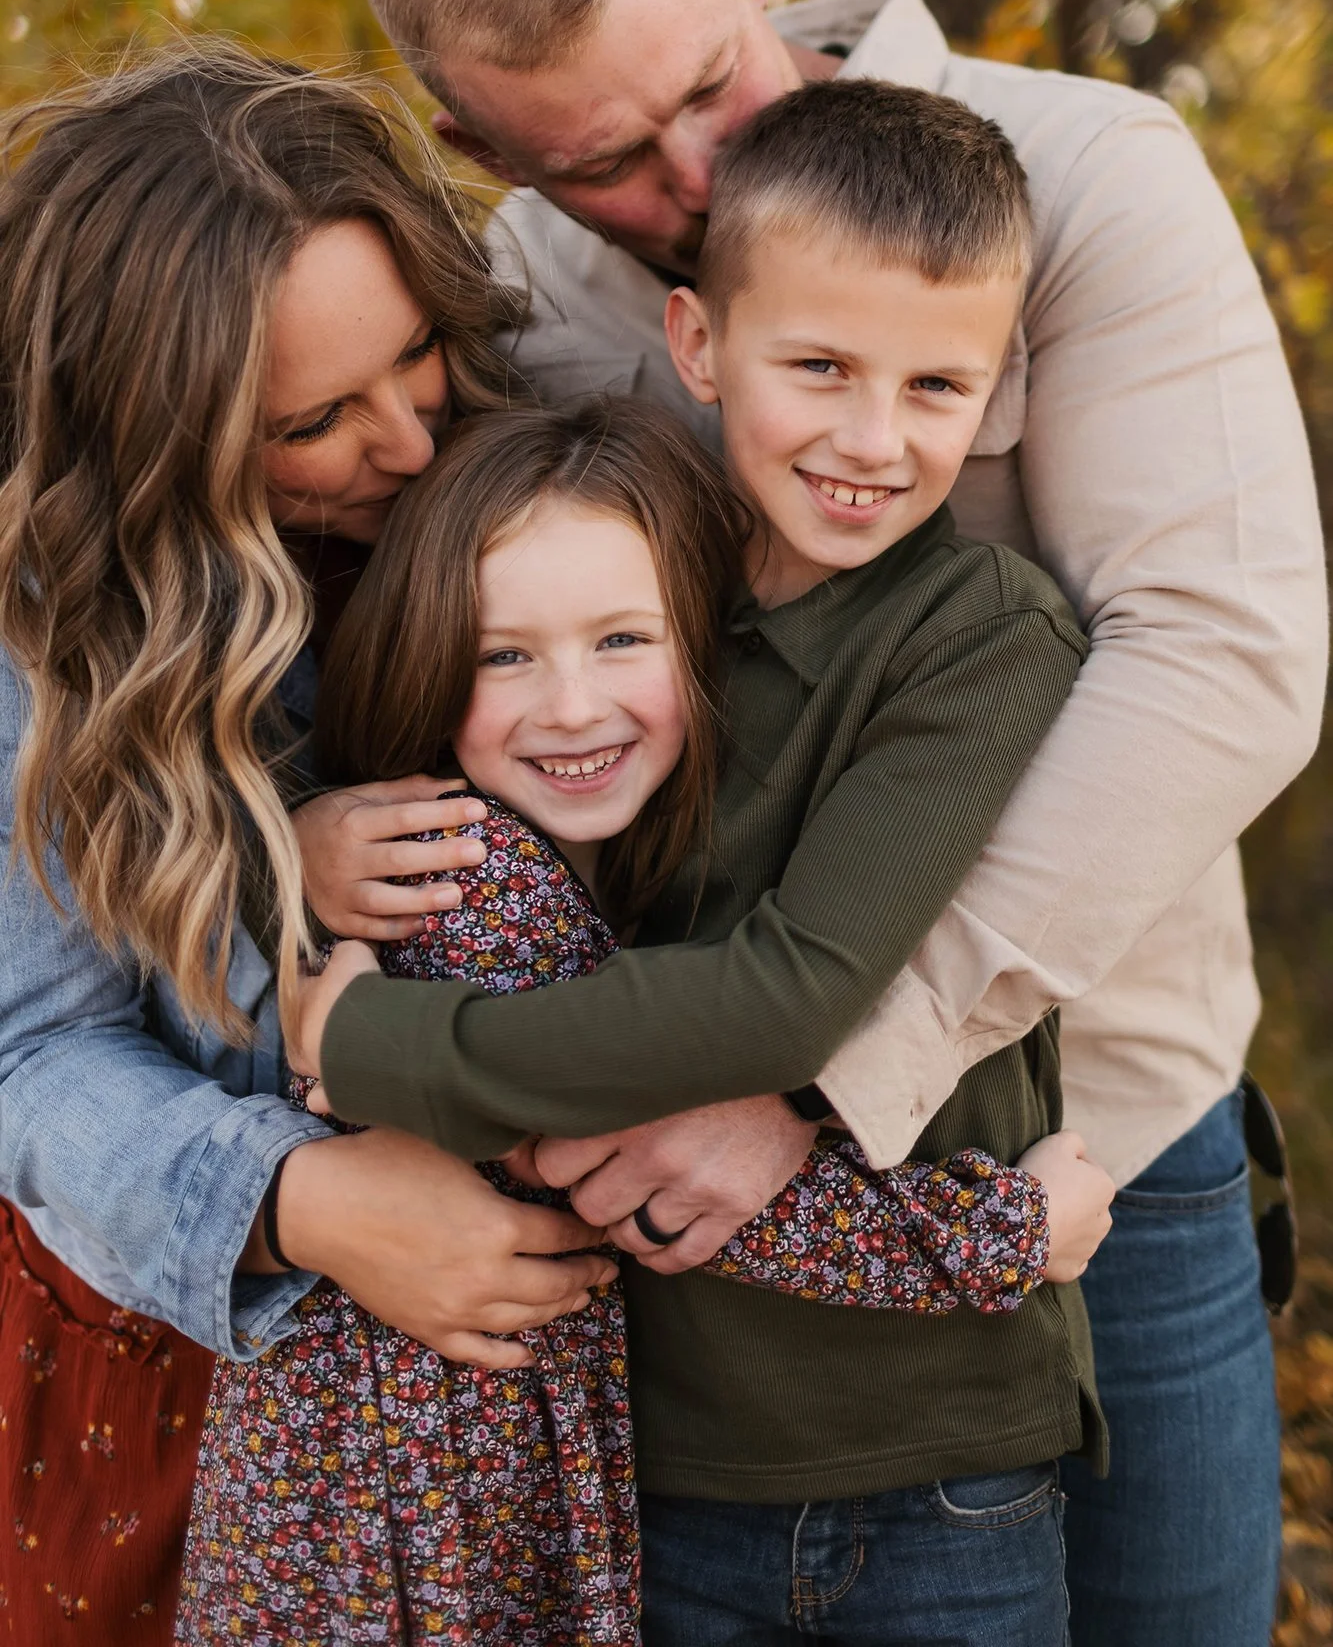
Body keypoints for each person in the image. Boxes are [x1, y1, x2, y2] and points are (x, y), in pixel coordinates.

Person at [353, 0, 1328, 1646]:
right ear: (481, 146)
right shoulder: (517, 313)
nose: (704, 182)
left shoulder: (1092, 177)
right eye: (613, 164)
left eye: (713, 85)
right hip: (688, 1231)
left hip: (1094, 1146)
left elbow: (1222, 659)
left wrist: (821, 1074)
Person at [291, 81, 1116, 1645]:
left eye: (937, 385)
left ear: (1000, 393)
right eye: (818, 367)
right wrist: (308, 846)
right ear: (696, 350)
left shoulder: (979, 633)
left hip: (933, 1460)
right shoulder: (626, 615)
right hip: (649, 1462)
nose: (874, 440)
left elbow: (789, 997)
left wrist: (375, 1049)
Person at [0, 45, 616, 1644]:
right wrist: (313, 1201)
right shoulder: (44, 630)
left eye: (413, 355)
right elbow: (28, 1062)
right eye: (312, 425)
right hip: (182, 1362)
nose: (406, 442)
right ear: (160, 443)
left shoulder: (523, 476)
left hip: (553, 1373)